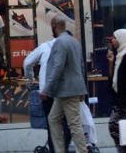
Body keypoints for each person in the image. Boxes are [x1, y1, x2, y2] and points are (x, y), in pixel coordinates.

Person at [39, 18, 88, 153]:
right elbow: (81, 66)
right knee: (53, 119)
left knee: (74, 124)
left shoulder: (60, 42)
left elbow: (57, 67)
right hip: (66, 91)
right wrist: (82, 90)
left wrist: (46, 89)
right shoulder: (74, 41)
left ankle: (82, 151)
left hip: (67, 90)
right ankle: (60, 150)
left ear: (54, 26)